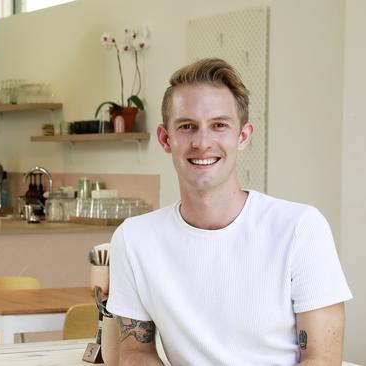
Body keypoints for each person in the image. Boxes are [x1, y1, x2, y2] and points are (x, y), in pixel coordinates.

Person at [106, 58, 352, 365]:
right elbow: (135, 353)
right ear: (165, 138)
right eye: (186, 126)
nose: (202, 142)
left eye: (219, 125)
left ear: (243, 136)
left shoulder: (301, 228)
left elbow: (322, 359)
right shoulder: (134, 239)